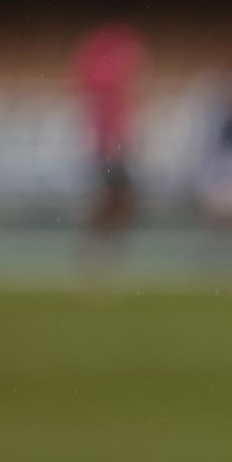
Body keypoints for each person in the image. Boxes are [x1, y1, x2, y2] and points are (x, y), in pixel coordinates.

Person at [73, 22, 148, 281]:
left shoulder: (105, 58)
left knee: (119, 199)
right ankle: (97, 249)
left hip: (113, 142)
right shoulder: (107, 58)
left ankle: (101, 248)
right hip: (109, 144)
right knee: (115, 198)